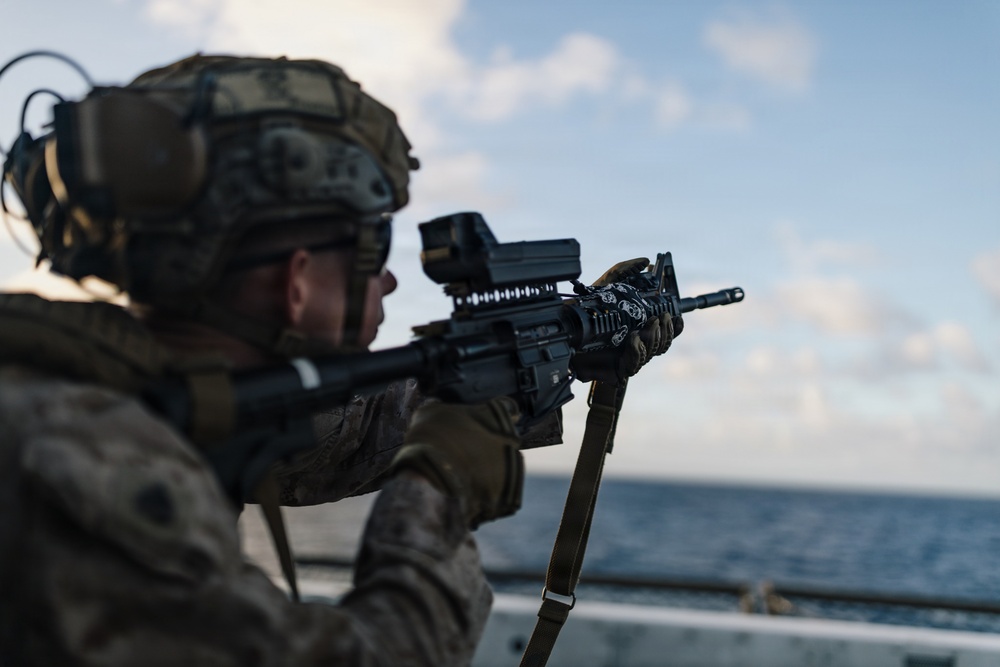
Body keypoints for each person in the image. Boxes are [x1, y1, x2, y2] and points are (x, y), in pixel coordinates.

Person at [0, 53, 672, 666]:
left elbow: (343, 428)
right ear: (295, 282)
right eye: (374, 246)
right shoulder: (72, 466)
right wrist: (438, 489)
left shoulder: (131, 387)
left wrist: (557, 352)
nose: (390, 281)